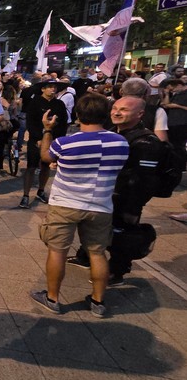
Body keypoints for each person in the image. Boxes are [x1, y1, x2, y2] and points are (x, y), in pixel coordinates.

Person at [30, 94, 129, 318]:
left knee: (57, 250)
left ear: (77, 115)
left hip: (65, 203)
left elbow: (46, 156)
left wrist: (47, 130)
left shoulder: (66, 142)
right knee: (97, 253)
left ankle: (52, 297)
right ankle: (97, 301)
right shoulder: (120, 142)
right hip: (101, 205)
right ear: (106, 114)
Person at [68, 97, 171, 285]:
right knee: (95, 230)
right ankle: (85, 257)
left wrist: (133, 208)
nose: (116, 112)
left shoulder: (146, 142)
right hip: (106, 194)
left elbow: (144, 180)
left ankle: (117, 272)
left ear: (140, 114)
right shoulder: (113, 133)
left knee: (122, 234)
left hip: (126, 198)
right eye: (115, 108)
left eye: (124, 110)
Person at [19, 79, 68, 209]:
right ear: (43, 89)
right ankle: (25, 195)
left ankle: (41, 190)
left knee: (46, 166)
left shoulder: (59, 104)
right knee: (31, 166)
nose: (53, 89)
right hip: (36, 140)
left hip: (52, 139)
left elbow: (63, 123)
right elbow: (31, 122)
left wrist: (56, 140)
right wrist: (38, 138)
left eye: (55, 87)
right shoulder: (34, 103)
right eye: (50, 87)